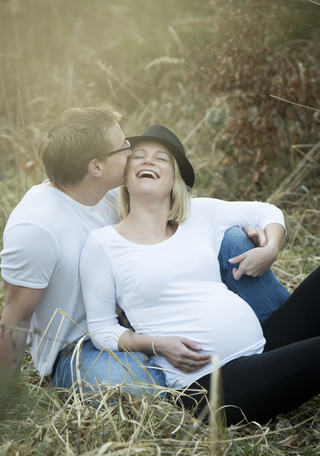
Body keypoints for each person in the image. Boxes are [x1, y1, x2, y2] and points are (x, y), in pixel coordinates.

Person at [0, 106, 287, 395]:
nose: (131, 152)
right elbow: (15, 319)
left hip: (139, 311)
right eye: (124, 147)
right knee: (141, 389)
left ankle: (279, 336)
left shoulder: (110, 190)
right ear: (96, 167)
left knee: (233, 239)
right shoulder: (36, 227)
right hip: (80, 346)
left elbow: (179, 215)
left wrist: (247, 230)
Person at [79, 124, 320, 425]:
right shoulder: (103, 243)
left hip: (261, 347)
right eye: (138, 156)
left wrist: (270, 249)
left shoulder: (199, 214)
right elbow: (102, 329)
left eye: (161, 158)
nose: (148, 161)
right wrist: (156, 344)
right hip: (210, 386)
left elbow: (266, 211)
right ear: (125, 178)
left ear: (175, 178)